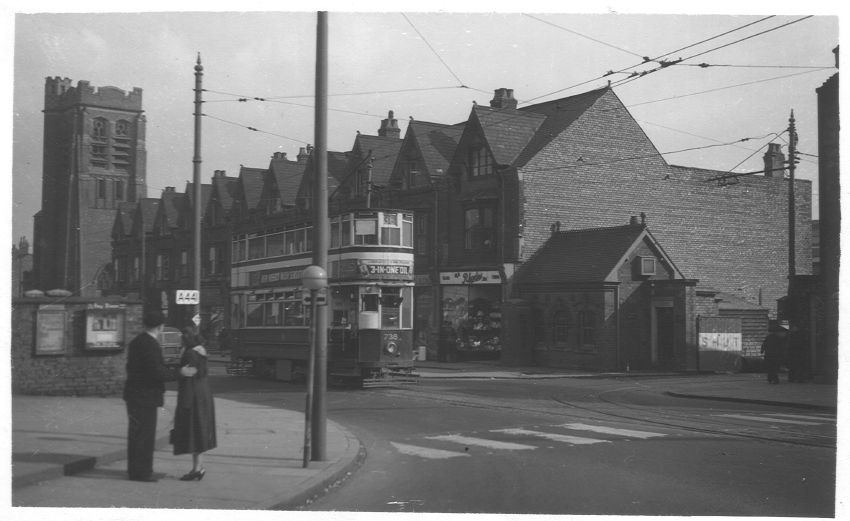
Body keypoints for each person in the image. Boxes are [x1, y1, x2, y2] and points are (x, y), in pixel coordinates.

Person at [123, 310, 195, 482]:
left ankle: (136, 470)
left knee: (136, 435)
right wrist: (181, 372)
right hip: (145, 396)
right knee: (144, 436)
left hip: (134, 394)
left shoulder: (137, 341)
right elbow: (157, 372)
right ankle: (142, 473)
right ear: (160, 326)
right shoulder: (150, 344)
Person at [171, 327, 217, 481]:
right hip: (203, 395)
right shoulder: (200, 351)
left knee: (194, 431)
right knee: (199, 432)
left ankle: (197, 468)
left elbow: (189, 375)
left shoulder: (190, 353)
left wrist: (184, 402)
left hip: (193, 396)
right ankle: (198, 468)